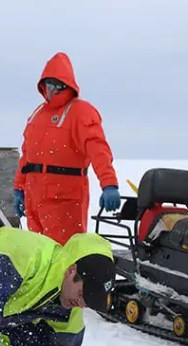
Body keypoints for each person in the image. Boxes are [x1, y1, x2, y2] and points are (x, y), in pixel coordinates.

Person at [12, 52, 122, 245]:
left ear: (67, 85)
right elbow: (27, 157)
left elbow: (98, 150)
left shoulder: (81, 112)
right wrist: (19, 188)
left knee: (65, 257)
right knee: (38, 254)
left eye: (56, 85)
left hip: (64, 199)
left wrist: (109, 184)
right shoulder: (38, 113)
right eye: (48, 84)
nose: (52, 90)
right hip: (34, 197)